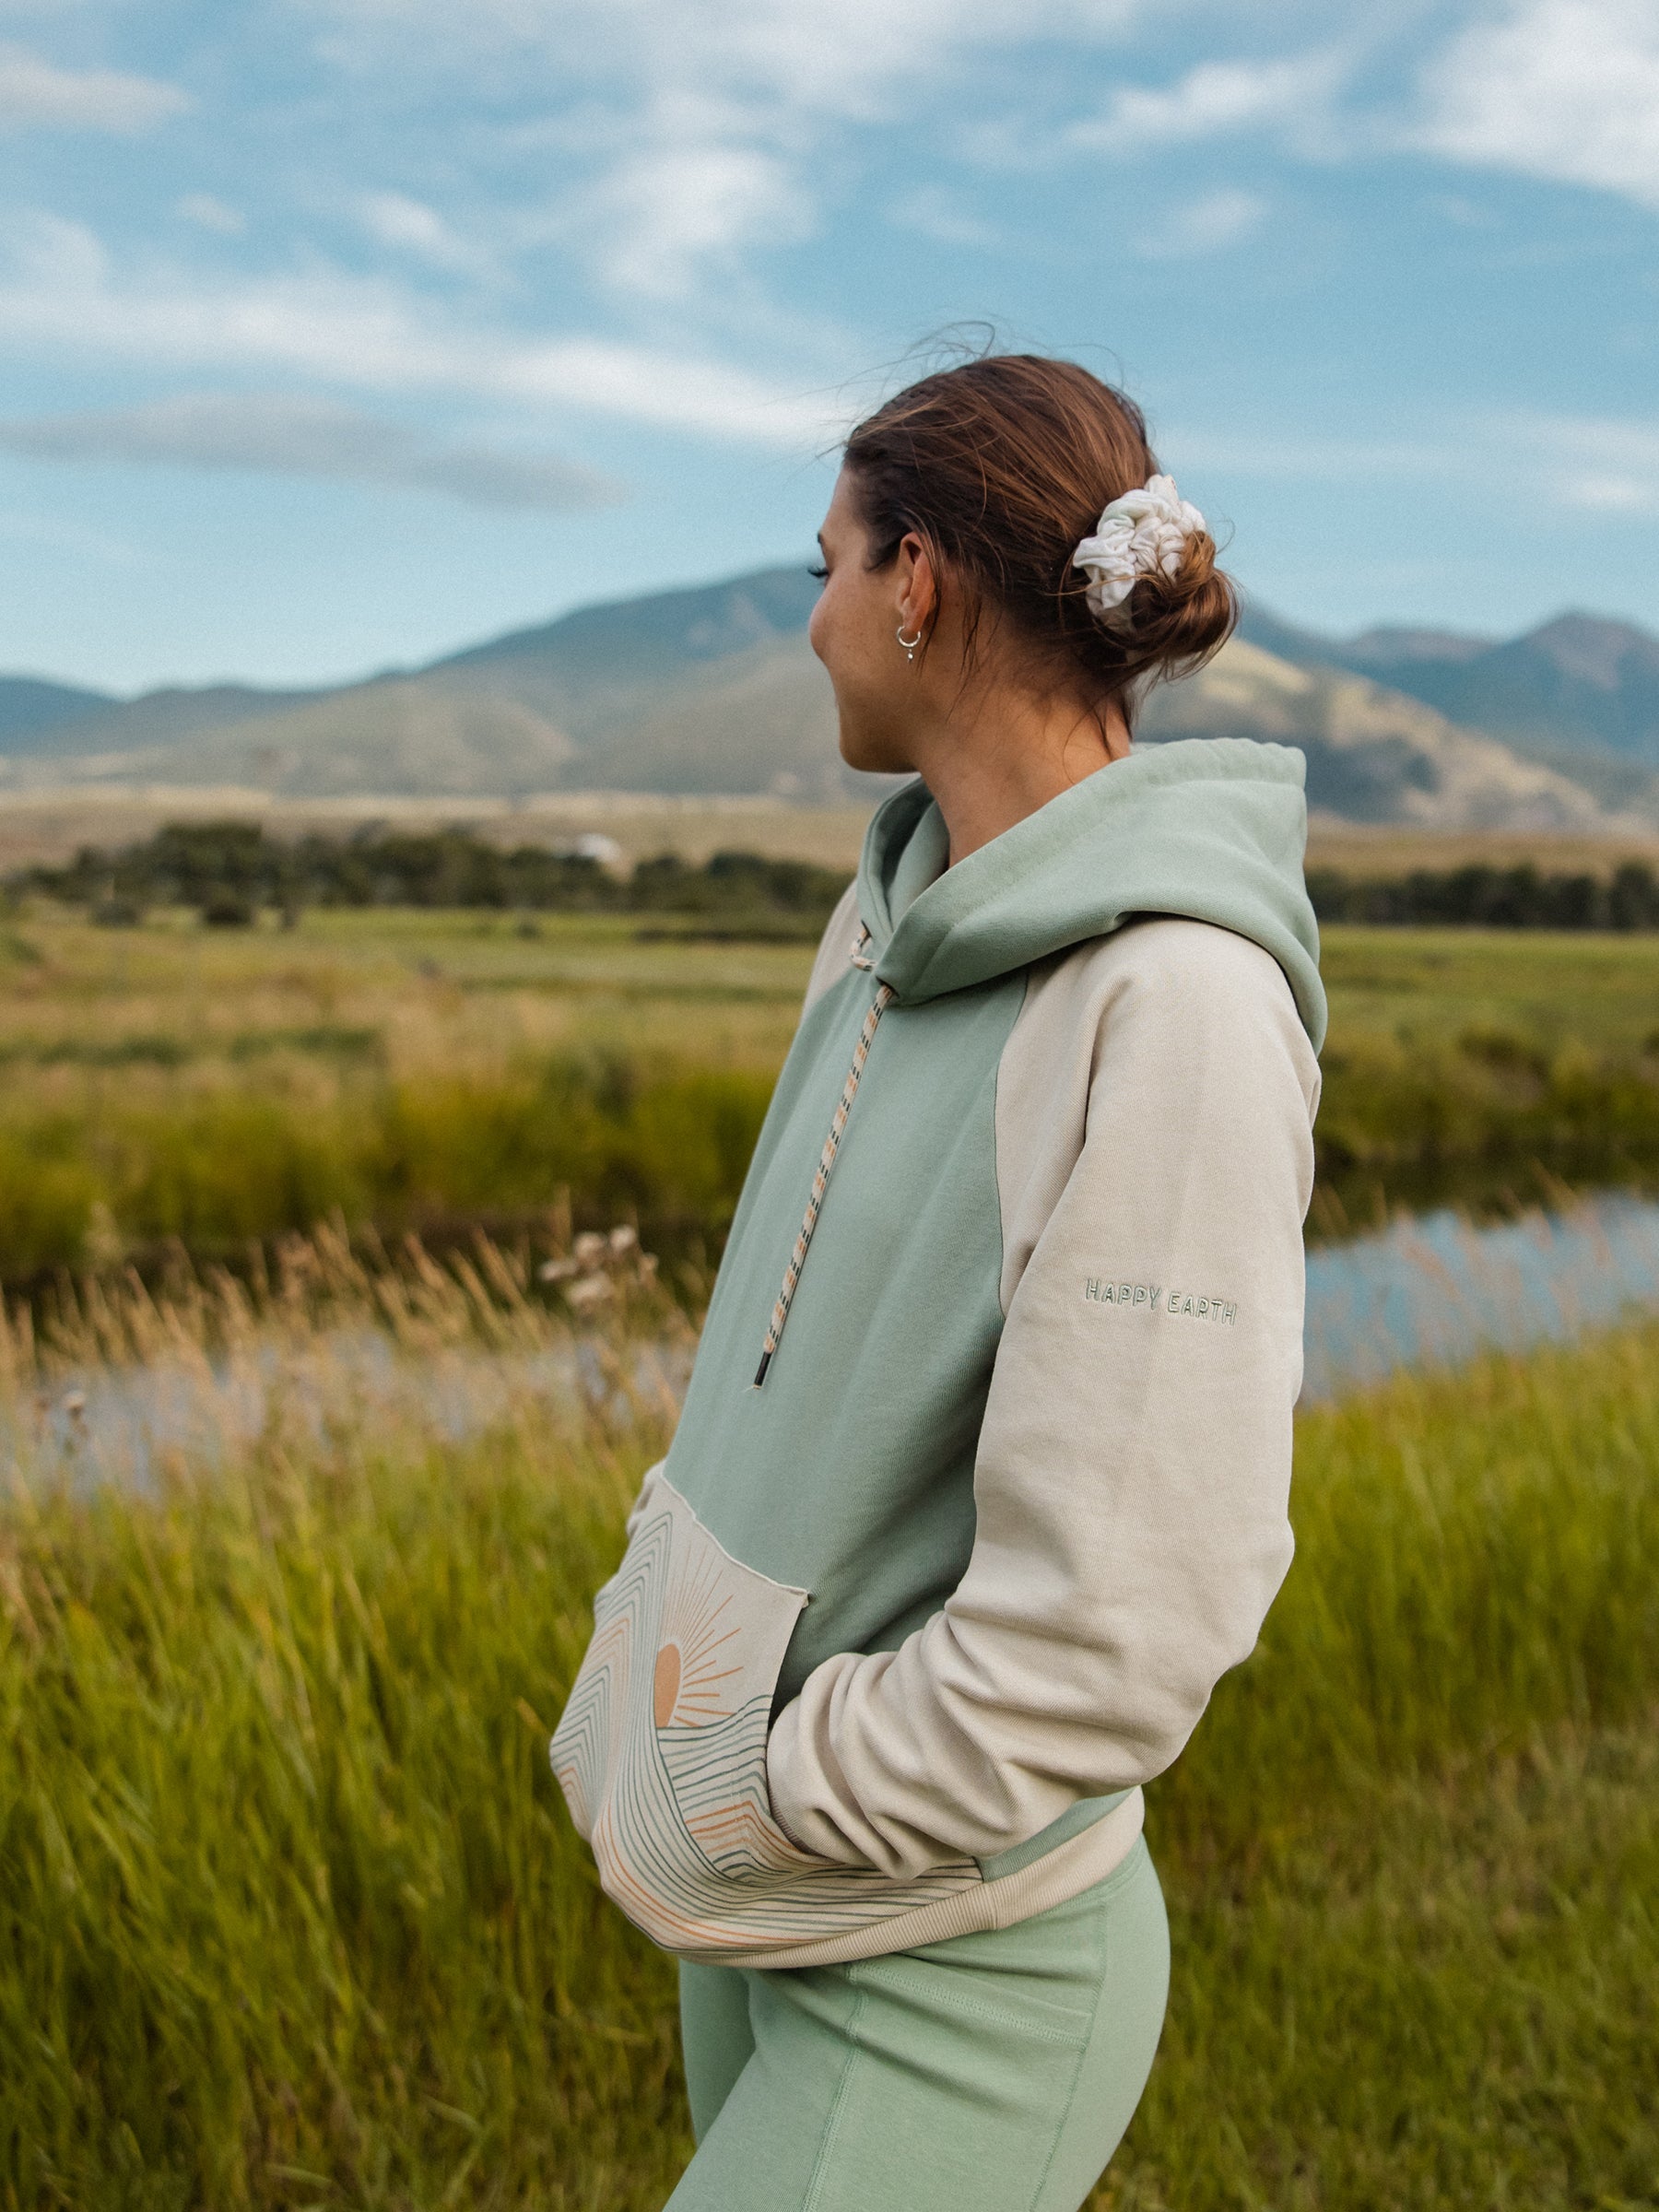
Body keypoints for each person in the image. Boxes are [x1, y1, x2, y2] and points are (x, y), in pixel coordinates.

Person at [551, 351, 1324, 2210]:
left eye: (824, 565)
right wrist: (662, 1675)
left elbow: (1127, 1618)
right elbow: (775, 1381)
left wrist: (767, 1778)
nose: (811, 621)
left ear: (918, 585)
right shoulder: (888, 913)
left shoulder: (1176, 1002)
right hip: (769, 1901)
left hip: (955, 1958)